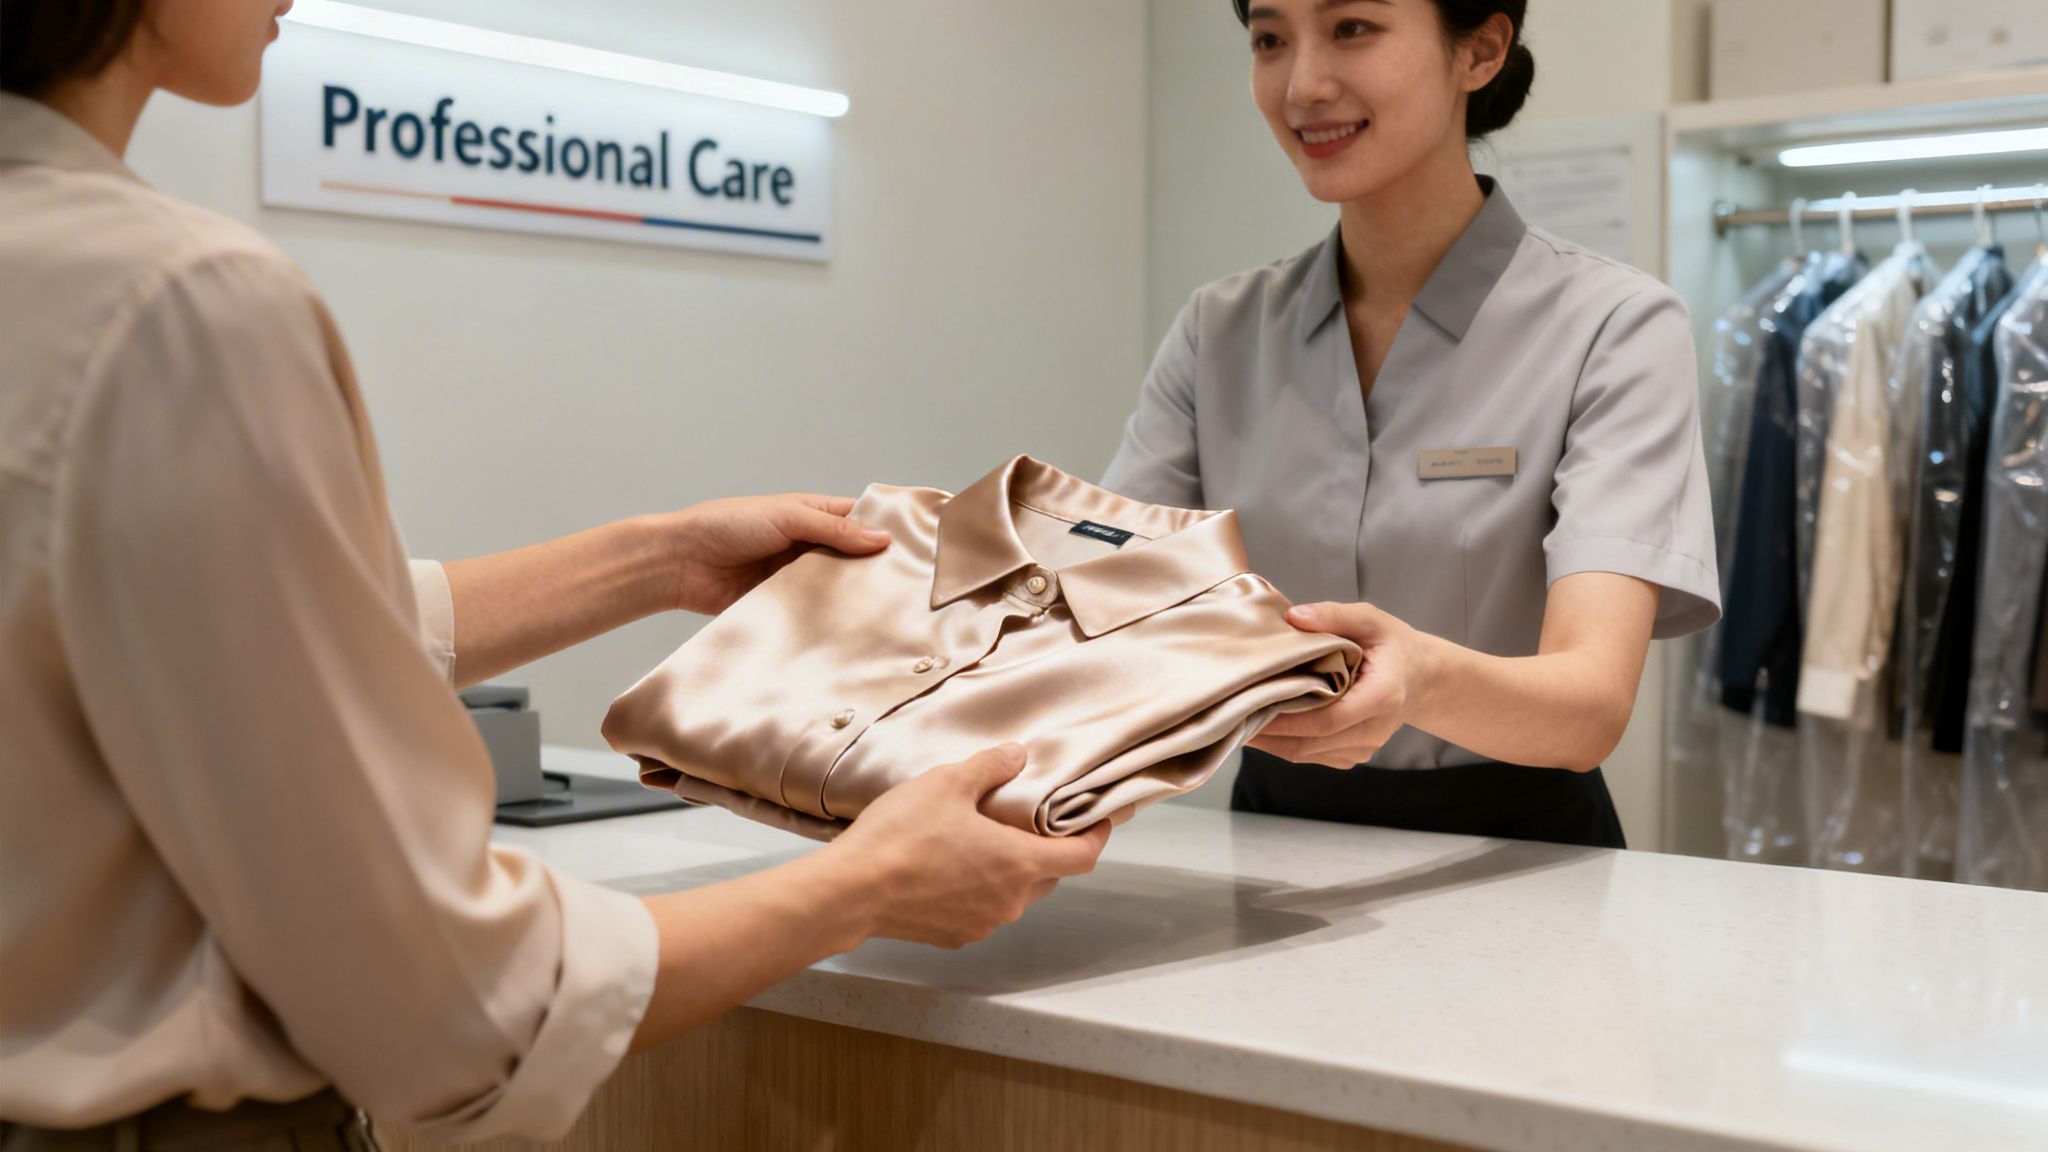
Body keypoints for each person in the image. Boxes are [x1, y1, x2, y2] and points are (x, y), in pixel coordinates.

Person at [0, 2, 1108, 1146]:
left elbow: (240, 638)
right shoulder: (182, 306)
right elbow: (438, 994)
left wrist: (664, 559)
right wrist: (864, 889)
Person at [1103, 0, 1720, 848]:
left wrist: (1421, 678)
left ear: (1481, 49)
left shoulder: (1614, 327)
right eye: (1271, 40)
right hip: (1273, 847)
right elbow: (1111, 613)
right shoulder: (1220, 332)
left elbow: (1591, 707)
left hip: (1523, 856)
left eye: (1352, 27)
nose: (1304, 84)